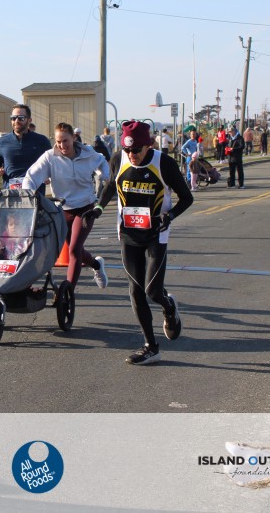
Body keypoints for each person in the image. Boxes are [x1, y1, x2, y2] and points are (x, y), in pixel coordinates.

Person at [96, 120, 194, 366]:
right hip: (128, 234)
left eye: (136, 150)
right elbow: (110, 185)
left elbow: (187, 198)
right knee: (135, 290)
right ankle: (151, 346)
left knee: (152, 291)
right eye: (127, 150)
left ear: (148, 145)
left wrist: (170, 216)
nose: (132, 155)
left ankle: (168, 306)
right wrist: (98, 208)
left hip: (155, 235)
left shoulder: (164, 163)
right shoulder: (118, 159)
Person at [23, 122, 110, 301]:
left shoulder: (88, 153)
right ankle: (96, 264)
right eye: (58, 141)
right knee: (75, 249)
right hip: (62, 209)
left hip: (85, 208)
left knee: (74, 250)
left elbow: (102, 160)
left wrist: (105, 176)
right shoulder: (50, 157)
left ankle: (67, 293)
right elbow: (31, 176)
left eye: (65, 141)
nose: (62, 145)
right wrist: (27, 195)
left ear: (74, 138)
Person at [0, 104, 52, 190]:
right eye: (13, 118)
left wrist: (47, 175)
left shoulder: (41, 140)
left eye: (21, 118)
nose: (16, 121)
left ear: (29, 120)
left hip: (35, 193)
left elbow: (52, 162)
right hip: (11, 194)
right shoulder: (2, 142)